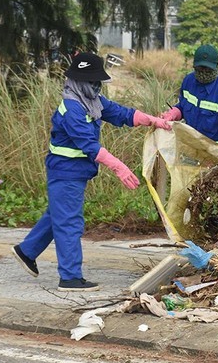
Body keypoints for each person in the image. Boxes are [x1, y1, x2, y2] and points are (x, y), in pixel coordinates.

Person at [10, 53, 172, 291]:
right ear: (78, 81)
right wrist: (120, 167)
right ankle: (70, 277)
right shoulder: (72, 109)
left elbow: (122, 113)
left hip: (74, 173)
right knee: (69, 223)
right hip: (65, 172)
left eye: (98, 82)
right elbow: (89, 145)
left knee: (59, 214)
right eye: (92, 82)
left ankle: (26, 251)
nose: (97, 87)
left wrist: (154, 121)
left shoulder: (92, 101)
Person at [159, 44, 218, 168]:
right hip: (192, 148)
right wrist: (173, 113)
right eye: (200, 69)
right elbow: (183, 106)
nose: (203, 73)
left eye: (208, 70)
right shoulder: (188, 81)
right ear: (194, 67)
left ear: (215, 68)